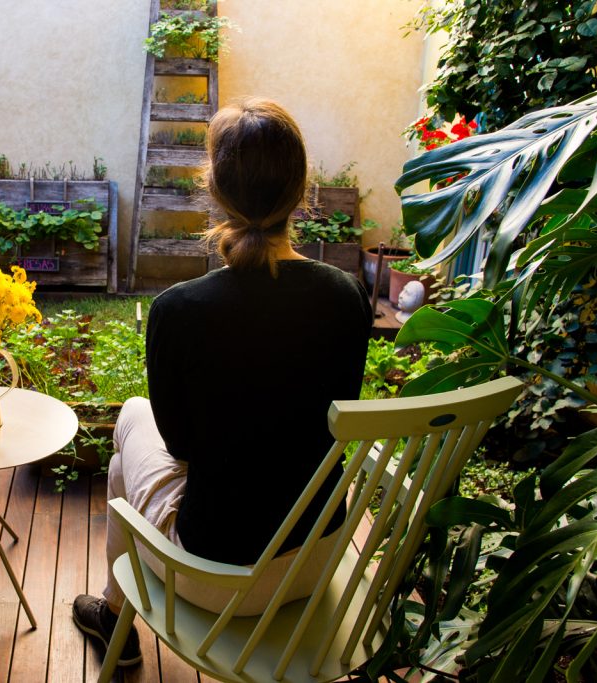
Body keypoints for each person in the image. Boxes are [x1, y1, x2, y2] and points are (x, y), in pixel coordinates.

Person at [72, 98, 373, 667]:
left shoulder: (178, 311)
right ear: (301, 189)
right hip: (319, 557)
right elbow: (335, 415)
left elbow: (181, 447)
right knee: (125, 465)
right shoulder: (347, 295)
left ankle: (115, 621)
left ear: (214, 190)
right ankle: (114, 615)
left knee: (129, 432)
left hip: (216, 575)